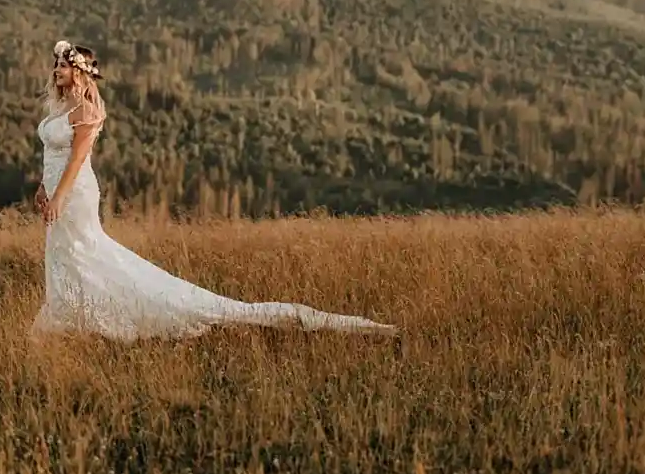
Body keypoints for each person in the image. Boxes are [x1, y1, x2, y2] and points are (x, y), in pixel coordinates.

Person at [32, 40, 396, 341]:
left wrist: (61, 195)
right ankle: (70, 315)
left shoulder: (87, 110)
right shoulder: (60, 106)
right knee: (64, 254)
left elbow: (78, 159)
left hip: (75, 193)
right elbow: (54, 152)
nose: (57, 70)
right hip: (57, 188)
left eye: (64, 65)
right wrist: (43, 187)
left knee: (82, 252)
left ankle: (89, 317)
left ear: (79, 71)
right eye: (57, 64)